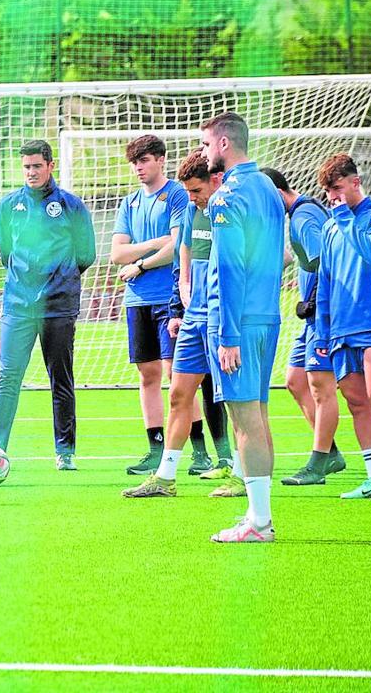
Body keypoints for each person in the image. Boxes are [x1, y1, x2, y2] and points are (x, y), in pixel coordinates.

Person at [124, 149, 237, 498]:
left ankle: (239, 470)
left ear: (214, 181)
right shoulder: (191, 210)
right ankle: (165, 477)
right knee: (178, 393)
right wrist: (178, 307)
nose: (191, 197)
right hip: (193, 316)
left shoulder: (228, 212)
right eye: (187, 191)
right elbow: (182, 257)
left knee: (235, 398)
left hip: (222, 318)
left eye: (196, 190)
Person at [201, 112, 284, 543]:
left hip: (238, 322)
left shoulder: (226, 196)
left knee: (245, 421)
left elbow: (231, 268)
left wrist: (228, 335)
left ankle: (259, 524)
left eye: (205, 144)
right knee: (259, 417)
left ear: (223, 145)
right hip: (267, 315)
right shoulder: (269, 187)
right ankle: (259, 514)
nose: (202, 152)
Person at [0, 140, 95, 470]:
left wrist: (58, 280)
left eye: (37, 165)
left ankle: (65, 451)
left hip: (58, 307)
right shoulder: (8, 206)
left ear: (50, 166)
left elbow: (86, 254)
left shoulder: (71, 206)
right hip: (19, 306)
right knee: (8, 377)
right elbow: (7, 253)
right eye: (26, 167)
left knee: (60, 378)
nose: (31, 172)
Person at [313, 154, 371, 502]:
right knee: (357, 403)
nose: (332, 197)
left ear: (354, 182)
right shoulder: (330, 227)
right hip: (340, 330)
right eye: (328, 192)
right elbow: (326, 282)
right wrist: (321, 331)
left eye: (336, 189)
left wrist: (347, 218)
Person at [260, 167, 347, 485]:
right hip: (312, 315)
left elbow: (326, 262)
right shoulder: (300, 214)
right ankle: (331, 452)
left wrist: (314, 304)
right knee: (296, 381)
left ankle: (318, 463)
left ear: (276, 194)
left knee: (323, 388)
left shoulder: (303, 216)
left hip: (323, 315)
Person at [110, 135, 189, 475]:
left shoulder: (176, 194)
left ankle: (197, 449)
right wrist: (155, 244)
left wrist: (140, 263)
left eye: (144, 160)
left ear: (160, 159)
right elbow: (116, 254)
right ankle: (155, 448)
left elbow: (177, 246)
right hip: (136, 299)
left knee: (178, 374)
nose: (139, 167)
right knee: (147, 374)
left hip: (169, 296)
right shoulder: (129, 202)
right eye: (135, 162)